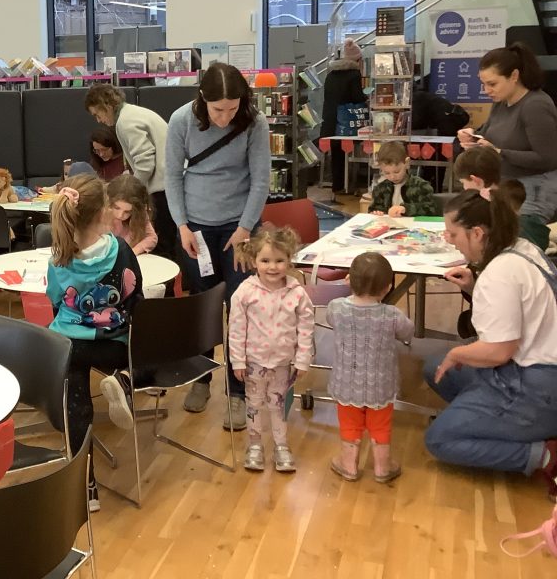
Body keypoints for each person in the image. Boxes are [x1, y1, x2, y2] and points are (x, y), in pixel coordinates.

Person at [423, 188, 557, 500]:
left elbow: (499, 351)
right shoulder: (521, 247)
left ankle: (546, 455)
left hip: (538, 384)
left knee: (439, 440)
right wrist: (474, 286)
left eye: (453, 234)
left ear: (478, 233)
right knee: (435, 368)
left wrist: (457, 352)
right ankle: (494, 421)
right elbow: (515, 312)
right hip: (533, 367)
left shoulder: (500, 272)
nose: (448, 239)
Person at [165, 62, 271, 422]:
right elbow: (172, 176)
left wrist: (245, 228)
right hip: (195, 226)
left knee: (239, 306)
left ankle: (238, 391)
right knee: (203, 303)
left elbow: (260, 181)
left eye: (232, 108)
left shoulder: (255, 122)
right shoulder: (181, 120)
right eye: (217, 110)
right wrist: (181, 225)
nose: (225, 117)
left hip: (239, 227)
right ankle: (201, 378)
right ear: (202, 99)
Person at [46, 174, 143, 512]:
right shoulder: (121, 251)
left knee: (77, 407)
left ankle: (85, 488)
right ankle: (123, 379)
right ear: (104, 212)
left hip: (69, 345)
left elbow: (55, 300)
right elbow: (135, 297)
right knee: (144, 347)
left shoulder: (59, 258)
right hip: (112, 344)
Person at [228, 226, 314, 473]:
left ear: (289, 260)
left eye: (279, 260)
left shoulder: (297, 293)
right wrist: (237, 361)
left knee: (277, 405)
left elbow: (306, 328)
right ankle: (255, 445)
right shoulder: (245, 292)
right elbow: (236, 329)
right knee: (254, 405)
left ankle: (281, 445)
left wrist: (302, 359)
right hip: (253, 362)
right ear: (254, 260)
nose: (272, 267)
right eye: (265, 261)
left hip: (282, 363)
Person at [326, 252, 414, 483]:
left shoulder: (336, 308)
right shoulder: (392, 315)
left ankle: (349, 465)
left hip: (346, 384)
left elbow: (330, 320)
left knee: (350, 424)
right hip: (380, 385)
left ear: (349, 280)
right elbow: (408, 332)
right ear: (388, 287)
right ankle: (382, 468)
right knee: (380, 425)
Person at [457, 42, 557, 222]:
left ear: (514, 76)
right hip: (505, 187)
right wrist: (473, 137)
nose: (486, 90)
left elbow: (547, 158)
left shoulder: (536, 105)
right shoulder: (500, 103)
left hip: (533, 192)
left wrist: (499, 152)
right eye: (483, 84)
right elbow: (487, 134)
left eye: (492, 84)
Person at [84, 84, 175, 258]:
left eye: (97, 114)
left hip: (162, 189)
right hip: (167, 184)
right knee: (167, 244)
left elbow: (145, 163)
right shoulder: (133, 113)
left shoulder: (126, 122)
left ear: (106, 105)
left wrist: (130, 191)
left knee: (162, 248)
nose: (98, 120)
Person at [454, 147, 550, 252]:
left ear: (476, 180)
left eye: (463, 183)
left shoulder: (499, 210)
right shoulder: (506, 197)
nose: (464, 188)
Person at [321, 39, 367, 194]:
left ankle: (338, 186)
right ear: (356, 60)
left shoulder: (330, 75)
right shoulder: (354, 74)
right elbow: (357, 96)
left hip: (330, 118)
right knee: (349, 151)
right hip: (346, 119)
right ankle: (350, 184)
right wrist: (366, 97)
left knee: (337, 152)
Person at [368, 140, 438, 217]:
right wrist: (377, 213)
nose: (392, 177)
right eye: (387, 173)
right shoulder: (380, 189)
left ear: (407, 163)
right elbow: (373, 210)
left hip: (413, 224)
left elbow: (430, 209)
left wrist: (405, 209)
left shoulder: (421, 186)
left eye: (397, 172)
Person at [106, 174, 157, 255]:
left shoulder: (140, 214)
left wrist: (134, 251)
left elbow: (151, 237)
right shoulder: (102, 211)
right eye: (116, 208)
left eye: (127, 212)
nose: (120, 215)